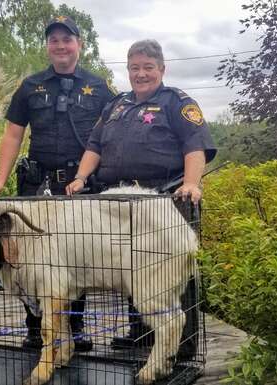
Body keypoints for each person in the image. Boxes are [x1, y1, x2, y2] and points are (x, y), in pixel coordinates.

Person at [66, 39, 216, 351]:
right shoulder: (117, 104)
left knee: (170, 270)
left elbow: (195, 146)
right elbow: (94, 145)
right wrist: (81, 177)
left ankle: (182, 347)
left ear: (162, 69)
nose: (141, 74)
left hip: (166, 201)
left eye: (148, 67)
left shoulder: (177, 101)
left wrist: (191, 183)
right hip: (121, 204)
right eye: (135, 68)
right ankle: (142, 335)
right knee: (133, 268)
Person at [0, 15, 114, 352]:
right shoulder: (30, 86)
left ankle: (75, 327)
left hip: (80, 185)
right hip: (37, 184)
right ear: (47, 46)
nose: (60, 45)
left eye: (67, 39)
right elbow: (13, 134)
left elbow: (111, 134)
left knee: (76, 257)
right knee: (29, 257)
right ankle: (35, 328)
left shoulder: (99, 88)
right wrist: (0, 179)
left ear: (79, 45)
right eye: (54, 40)